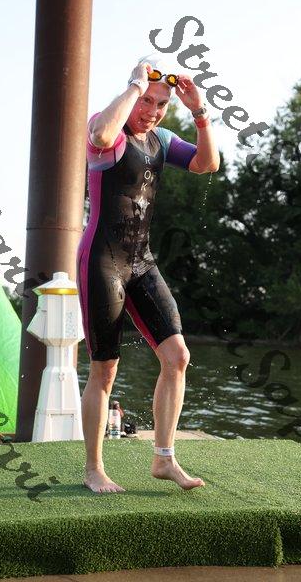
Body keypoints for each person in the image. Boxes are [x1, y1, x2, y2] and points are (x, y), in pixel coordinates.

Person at [76, 53, 220, 493]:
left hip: (141, 262)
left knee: (177, 357)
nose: (152, 111)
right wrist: (136, 85)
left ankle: (164, 458)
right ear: (134, 92)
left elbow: (207, 164)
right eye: (147, 101)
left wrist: (199, 112)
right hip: (102, 261)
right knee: (105, 370)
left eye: (161, 104)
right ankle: (94, 469)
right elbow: (100, 134)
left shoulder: (161, 140)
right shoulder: (110, 131)